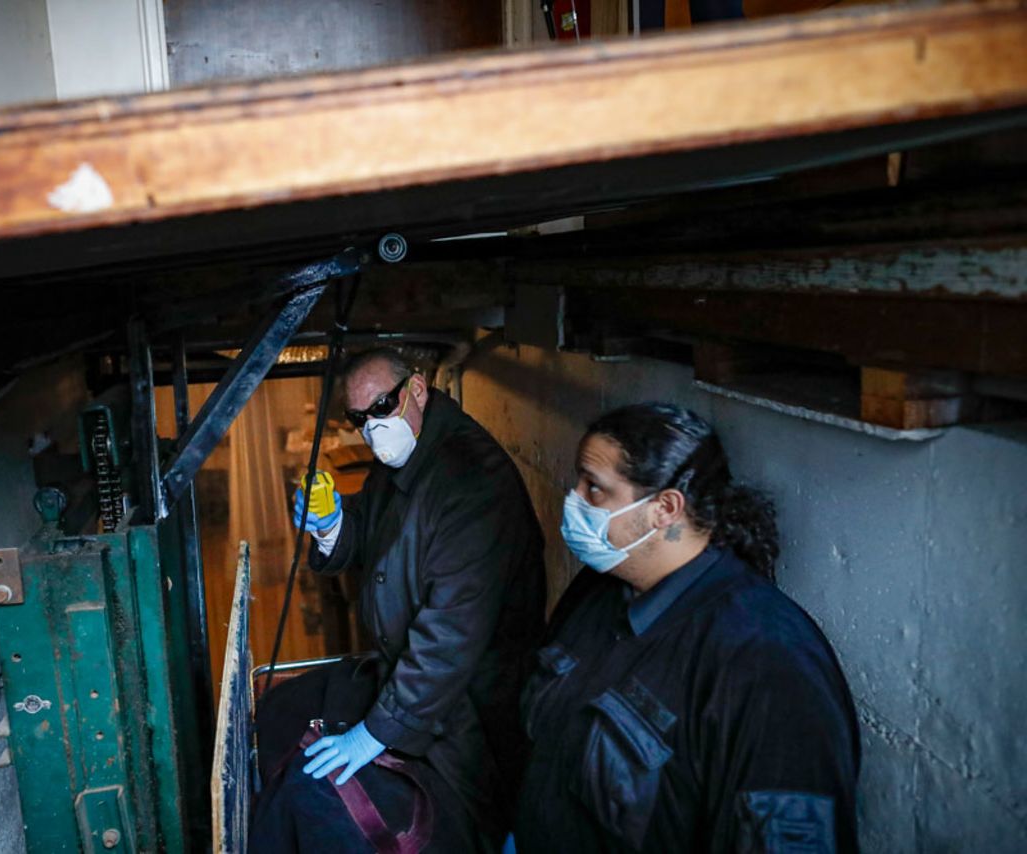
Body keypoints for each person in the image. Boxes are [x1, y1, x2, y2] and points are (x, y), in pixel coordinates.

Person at [515, 402, 859, 853]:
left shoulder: (766, 666)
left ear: (665, 509)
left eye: (594, 488)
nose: (573, 499)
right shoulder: (599, 589)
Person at [252, 347, 546, 853]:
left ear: (416, 389)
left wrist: (375, 734)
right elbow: (368, 526)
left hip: (461, 709)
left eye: (381, 407)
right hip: (397, 670)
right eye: (359, 418)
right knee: (279, 711)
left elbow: (449, 640)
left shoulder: (473, 480)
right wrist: (332, 525)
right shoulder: (405, 455)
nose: (371, 429)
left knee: (313, 797)